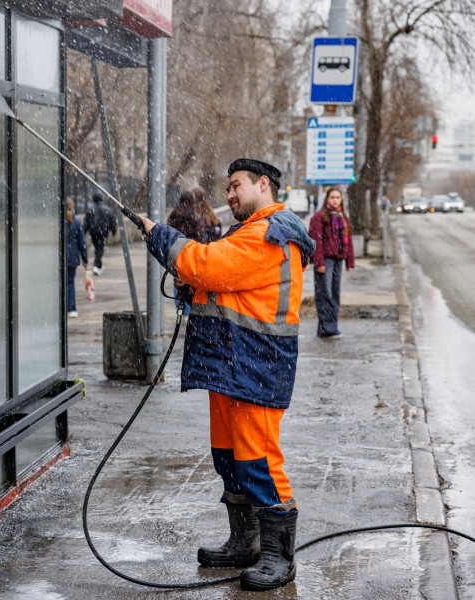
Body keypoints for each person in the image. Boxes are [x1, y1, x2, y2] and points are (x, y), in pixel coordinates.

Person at [137, 159, 314, 592]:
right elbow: (217, 280)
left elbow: (208, 266)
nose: (230, 194)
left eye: (237, 186)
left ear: (263, 185)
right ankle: (245, 540)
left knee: (259, 462)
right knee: (228, 458)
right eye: (228, 187)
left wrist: (161, 235)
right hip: (233, 368)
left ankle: (278, 556)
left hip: (255, 367)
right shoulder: (250, 231)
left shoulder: (270, 234)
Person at [308, 187, 355, 338]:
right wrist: (319, 262)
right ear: (327, 199)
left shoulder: (343, 217)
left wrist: (349, 260)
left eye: (338, 197)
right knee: (324, 293)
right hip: (325, 260)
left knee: (334, 294)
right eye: (332, 197)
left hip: (338, 260)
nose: (335, 200)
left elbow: (349, 241)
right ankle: (326, 327)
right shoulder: (319, 217)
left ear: (341, 200)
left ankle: (329, 327)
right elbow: (316, 241)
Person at [65, 198, 88, 318]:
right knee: (70, 282)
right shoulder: (77, 223)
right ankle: (71, 308)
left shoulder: (58, 222)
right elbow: (82, 243)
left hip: (60, 258)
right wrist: (85, 260)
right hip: (72, 257)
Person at [83, 192, 117, 275]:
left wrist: (84, 232)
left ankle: (98, 265)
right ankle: (97, 265)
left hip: (93, 232)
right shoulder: (107, 210)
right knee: (100, 248)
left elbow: (86, 223)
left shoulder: (90, 210)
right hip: (103, 232)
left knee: (97, 247)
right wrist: (113, 231)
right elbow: (113, 222)